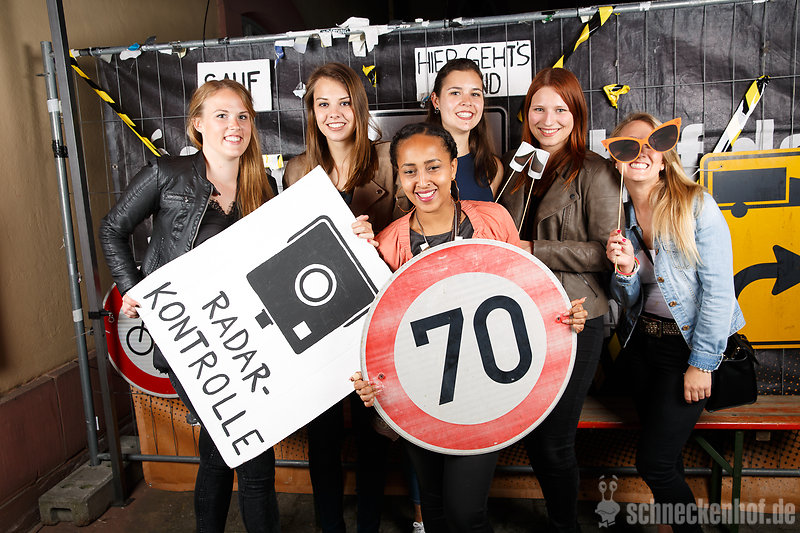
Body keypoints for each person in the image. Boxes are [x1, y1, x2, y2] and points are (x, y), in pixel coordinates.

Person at [352, 122, 588, 533]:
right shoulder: (388, 243)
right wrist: (368, 380)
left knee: (465, 514)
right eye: (409, 171)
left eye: (433, 167)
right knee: (436, 508)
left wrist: (563, 319)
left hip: (484, 396)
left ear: (452, 166)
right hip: (420, 394)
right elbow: (377, 335)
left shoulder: (493, 220)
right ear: (398, 176)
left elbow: (524, 296)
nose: (422, 181)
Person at [99, 80, 280, 533]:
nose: (234, 125)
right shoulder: (167, 174)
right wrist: (133, 289)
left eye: (242, 116)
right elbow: (113, 228)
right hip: (187, 339)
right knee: (253, 453)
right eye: (221, 115)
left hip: (243, 335)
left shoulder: (263, 185)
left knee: (220, 451)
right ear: (197, 124)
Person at [604, 112, 745, 532]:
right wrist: (625, 271)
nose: (641, 152)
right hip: (643, 349)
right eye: (629, 146)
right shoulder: (620, 217)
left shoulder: (695, 204)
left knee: (655, 464)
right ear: (616, 159)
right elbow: (627, 300)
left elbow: (719, 291)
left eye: (653, 143)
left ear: (665, 156)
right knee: (669, 460)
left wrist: (701, 363)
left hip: (687, 350)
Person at [495, 67, 619, 532]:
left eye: (561, 109)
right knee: (534, 435)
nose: (549, 120)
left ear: (577, 115)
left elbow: (605, 254)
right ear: (526, 113)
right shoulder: (517, 167)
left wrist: (535, 249)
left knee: (555, 441)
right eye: (539, 109)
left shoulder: (596, 171)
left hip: (575, 316)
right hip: (524, 313)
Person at [283, 62, 399, 533]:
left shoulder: (387, 159)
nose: (334, 113)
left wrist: (377, 240)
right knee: (324, 433)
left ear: (359, 106)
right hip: (321, 317)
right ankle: (329, 525)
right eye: (322, 103)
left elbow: (412, 228)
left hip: (376, 315)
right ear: (311, 111)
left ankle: (369, 524)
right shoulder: (297, 169)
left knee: (374, 429)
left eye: (344, 102)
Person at [425, 58, 503, 201]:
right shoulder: (414, 164)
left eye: (475, 94)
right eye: (455, 93)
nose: (467, 102)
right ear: (436, 101)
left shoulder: (492, 168)